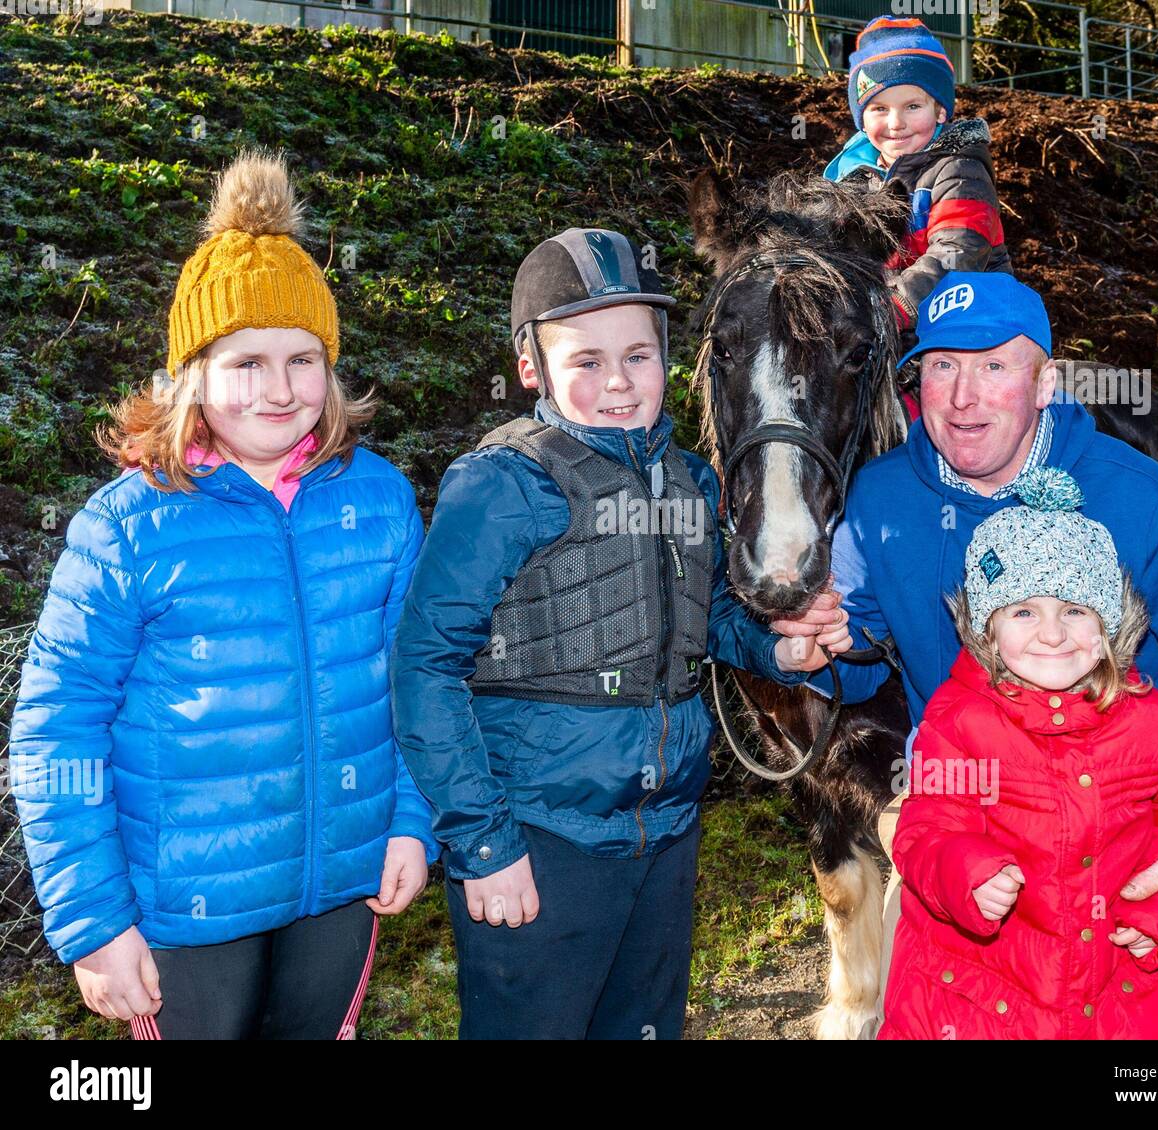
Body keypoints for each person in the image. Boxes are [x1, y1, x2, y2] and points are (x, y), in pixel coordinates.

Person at [778, 270, 1158, 1039]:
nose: (962, 395)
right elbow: (864, 656)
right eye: (941, 366)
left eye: (994, 366)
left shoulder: (1135, 494)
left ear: (1045, 382)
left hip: (1128, 851)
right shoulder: (880, 502)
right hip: (960, 846)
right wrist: (817, 649)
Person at [9, 150, 437, 1039]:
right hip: (181, 915)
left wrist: (410, 821)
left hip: (341, 886)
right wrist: (95, 924)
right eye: (245, 363)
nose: (279, 391)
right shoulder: (125, 526)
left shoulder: (382, 500)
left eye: (303, 359)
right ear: (192, 373)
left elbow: (421, 680)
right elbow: (58, 731)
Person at [389, 227, 847, 1039]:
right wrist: (483, 845)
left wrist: (777, 646)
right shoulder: (498, 486)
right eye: (587, 362)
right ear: (531, 367)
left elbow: (713, 619)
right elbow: (425, 668)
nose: (619, 383)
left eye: (638, 356)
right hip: (539, 840)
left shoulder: (691, 477)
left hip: (666, 831)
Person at [877, 466, 1158, 1039]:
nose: (1052, 634)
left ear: (1110, 625)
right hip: (977, 994)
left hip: (1106, 996)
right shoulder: (959, 721)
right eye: (1024, 611)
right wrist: (967, 872)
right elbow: (926, 829)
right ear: (987, 627)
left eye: (1076, 611)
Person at [823, 16, 1013, 345]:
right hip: (881, 325)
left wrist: (898, 306)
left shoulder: (960, 169)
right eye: (879, 108)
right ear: (861, 119)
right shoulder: (851, 179)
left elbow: (959, 251)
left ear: (940, 111)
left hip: (969, 322)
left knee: (947, 385)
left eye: (912, 106)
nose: (896, 123)